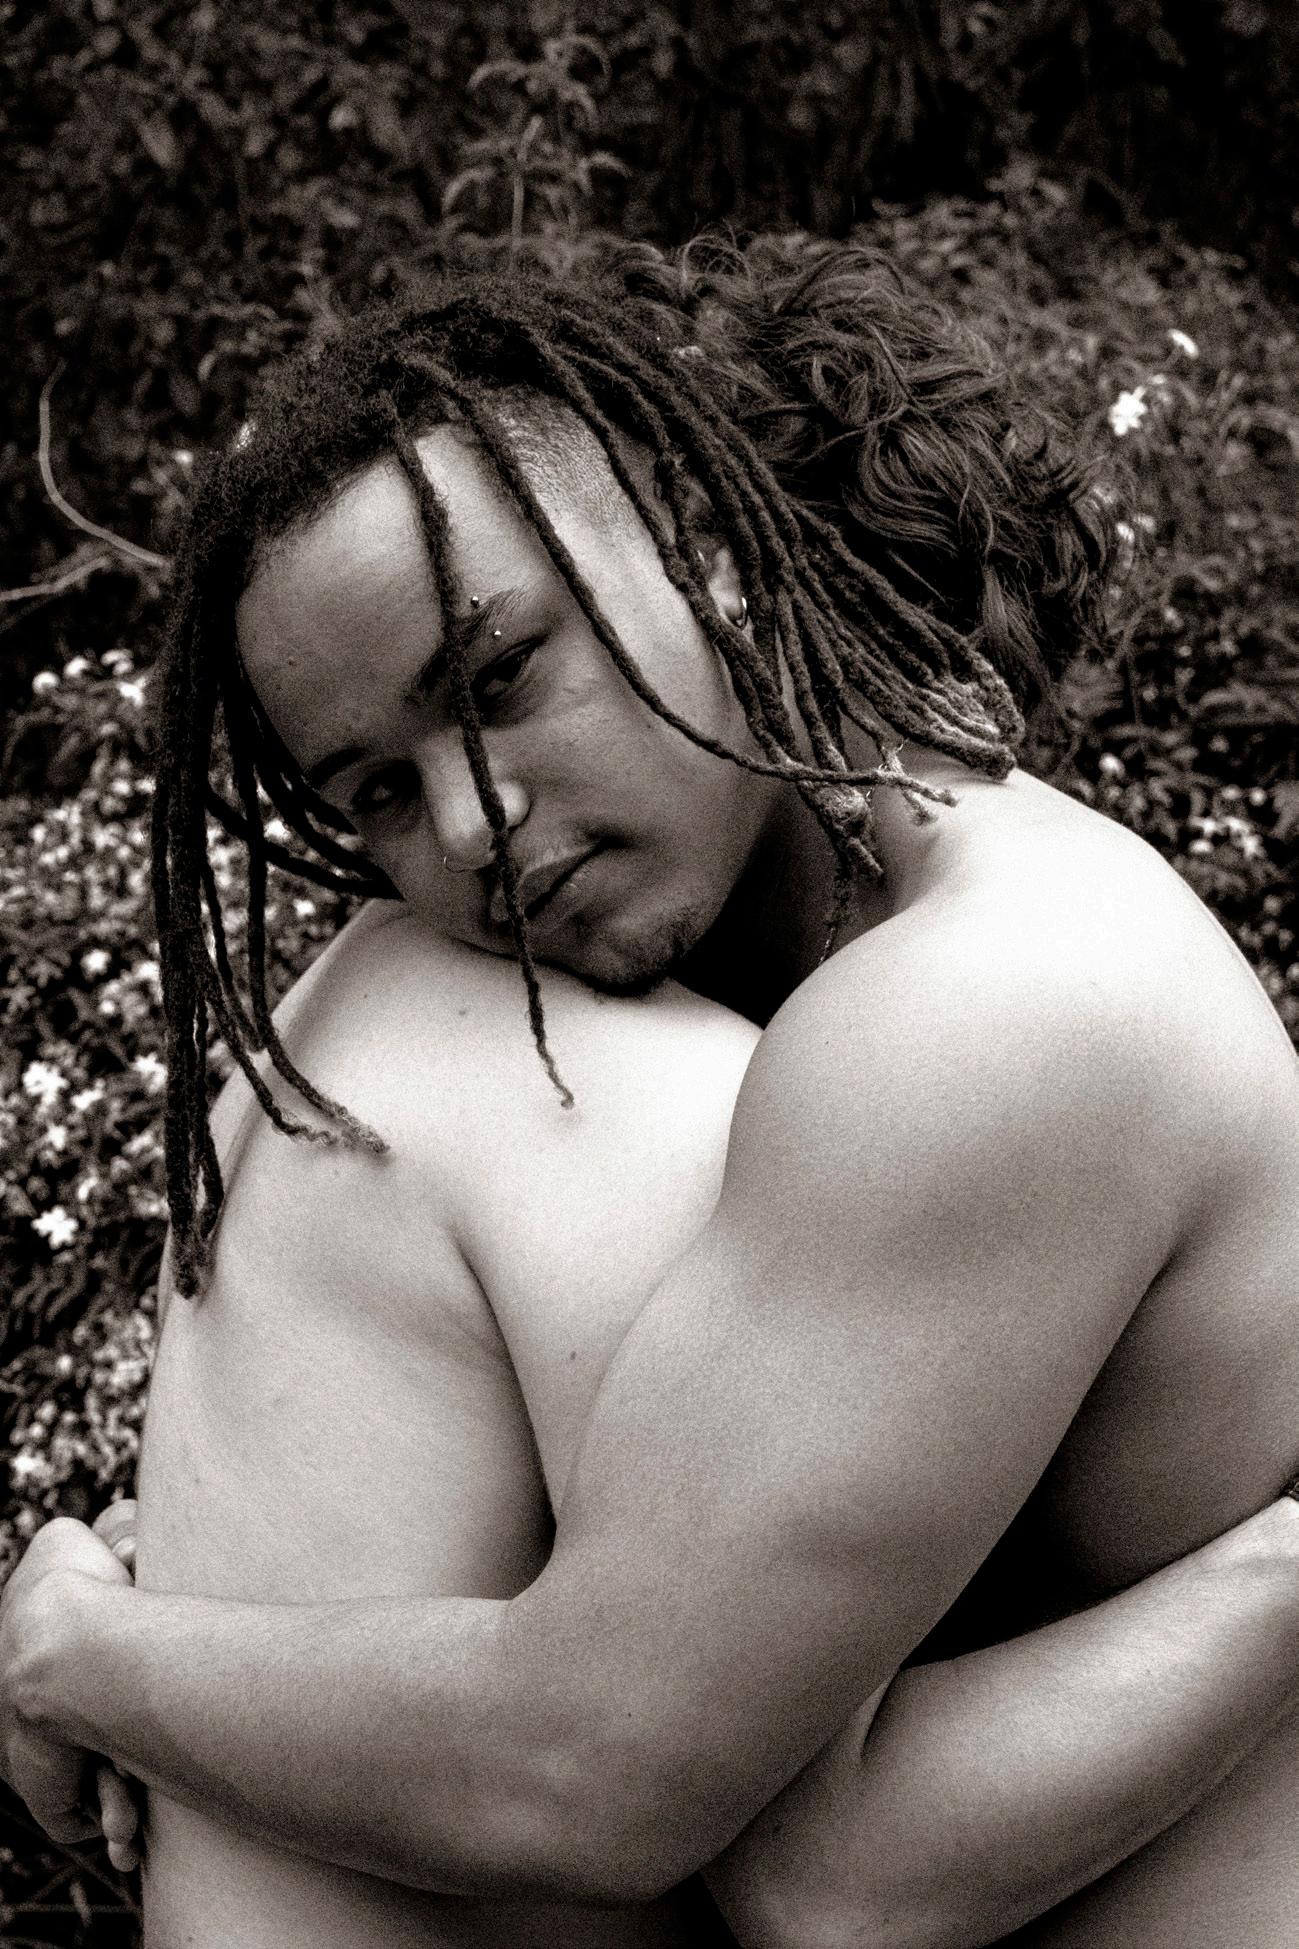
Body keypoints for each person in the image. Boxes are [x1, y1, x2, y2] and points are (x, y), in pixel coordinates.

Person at [4, 238, 1299, 1944]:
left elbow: (774, 1856)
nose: (469, 825)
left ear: (707, 549)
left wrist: (86, 1652)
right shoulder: (710, 1013)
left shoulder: (986, 1008)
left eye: (499, 681)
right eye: (376, 789)